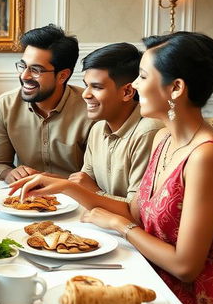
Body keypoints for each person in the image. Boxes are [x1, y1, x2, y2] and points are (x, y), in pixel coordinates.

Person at [12, 32, 213, 304]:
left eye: (144, 77)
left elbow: (186, 266)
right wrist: (65, 187)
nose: (135, 86)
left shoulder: (206, 155)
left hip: (188, 302)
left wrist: (120, 226)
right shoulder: (164, 139)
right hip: (149, 276)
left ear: (176, 88)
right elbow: (137, 210)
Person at [0, 24, 93, 182]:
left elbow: (93, 176)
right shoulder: (6, 105)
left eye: (35, 70)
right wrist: (9, 174)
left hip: (76, 199)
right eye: (23, 66)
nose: (24, 76)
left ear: (62, 76)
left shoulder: (90, 109)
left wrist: (49, 181)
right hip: (25, 199)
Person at [69, 43, 162, 200]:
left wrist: (96, 192)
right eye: (86, 86)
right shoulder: (97, 129)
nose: (85, 94)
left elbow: (138, 208)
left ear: (127, 92)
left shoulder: (149, 132)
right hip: (98, 219)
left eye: (97, 87)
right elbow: (84, 182)